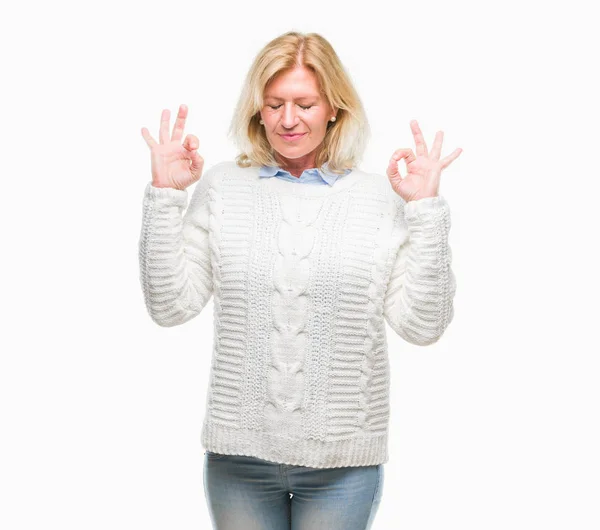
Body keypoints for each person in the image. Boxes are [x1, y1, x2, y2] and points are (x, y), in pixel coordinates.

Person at [139, 30, 461, 530]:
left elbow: (423, 326)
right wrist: (164, 196)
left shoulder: (379, 199)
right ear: (258, 111)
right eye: (274, 105)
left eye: (304, 104)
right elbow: (170, 306)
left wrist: (425, 211)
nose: (288, 120)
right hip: (238, 461)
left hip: (343, 466)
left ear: (334, 107)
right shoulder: (224, 187)